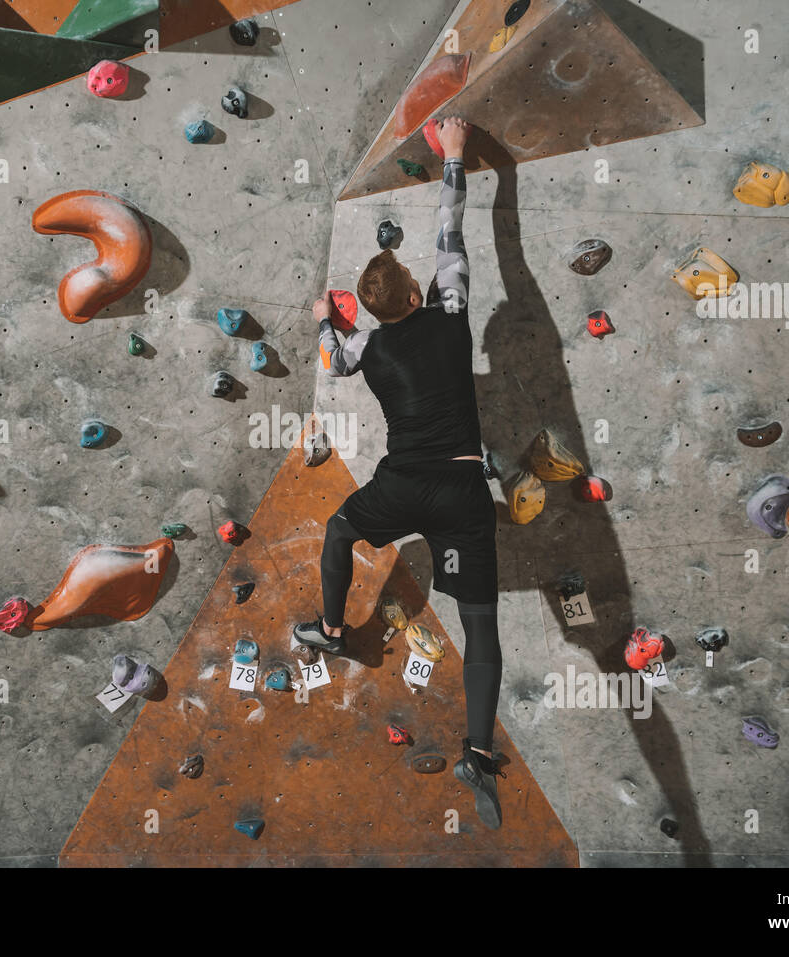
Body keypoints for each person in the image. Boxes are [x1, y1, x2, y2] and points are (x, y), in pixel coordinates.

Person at [294, 117, 506, 829]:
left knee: (338, 528)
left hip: (404, 482)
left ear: (377, 311)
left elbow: (336, 358)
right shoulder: (451, 311)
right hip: (464, 491)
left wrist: (326, 317)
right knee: (481, 627)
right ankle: (477, 750)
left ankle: (330, 626)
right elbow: (454, 230)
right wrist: (453, 156)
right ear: (416, 290)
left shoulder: (370, 350)